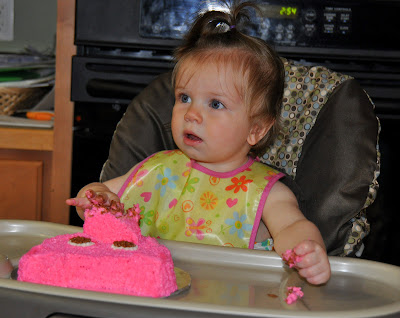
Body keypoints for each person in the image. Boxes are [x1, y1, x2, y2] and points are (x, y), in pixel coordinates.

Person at [67, 1, 331, 285]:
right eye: (184, 98)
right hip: (148, 296)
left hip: (227, 308)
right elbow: (97, 197)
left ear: (255, 130)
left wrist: (306, 252)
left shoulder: (266, 193)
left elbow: (293, 227)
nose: (192, 114)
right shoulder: (158, 170)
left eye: (215, 103)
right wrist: (96, 199)